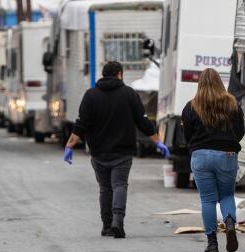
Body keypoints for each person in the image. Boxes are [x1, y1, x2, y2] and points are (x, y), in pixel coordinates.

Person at [64, 61, 169, 238]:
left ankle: (106, 226)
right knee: (120, 185)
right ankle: (117, 222)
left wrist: (69, 146)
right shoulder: (129, 94)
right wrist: (158, 142)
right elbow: (143, 122)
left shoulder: (90, 95)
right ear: (119, 74)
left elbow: (81, 124)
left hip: (98, 153)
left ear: (104, 75)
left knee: (105, 188)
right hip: (123, 152)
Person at [181, 68, 245, 252]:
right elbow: (240, 131)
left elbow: (187, 135)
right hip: (227, 154)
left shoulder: (191, 106)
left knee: (207, 200)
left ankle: (212, 244)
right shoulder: (232, 103)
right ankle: (230, 222)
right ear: (220, 82)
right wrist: (229, 144)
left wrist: (196, 147)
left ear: (200, 83)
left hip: (201, 155)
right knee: (226, 195)